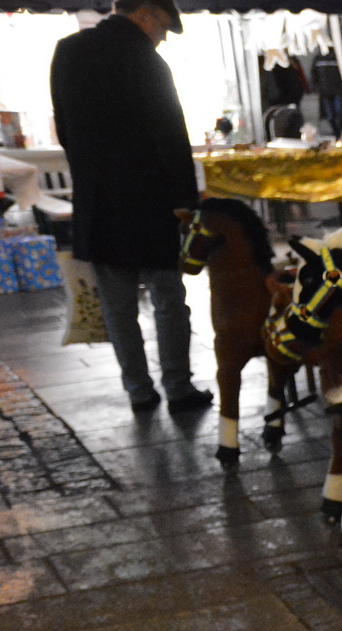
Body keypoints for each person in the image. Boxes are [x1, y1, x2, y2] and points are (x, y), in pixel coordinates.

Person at [50, 0, 212, 412]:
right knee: (168, 300)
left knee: (117, 306)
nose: (162, 38)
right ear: (145, 15)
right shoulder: (147, 62)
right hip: (151, 202)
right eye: (162, 28)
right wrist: (185, 202)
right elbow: (171, 136)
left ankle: (138, 391)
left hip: (99, 203)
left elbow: (64, 127)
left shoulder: (68, 52)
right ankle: (178, 387)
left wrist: (92, 173)